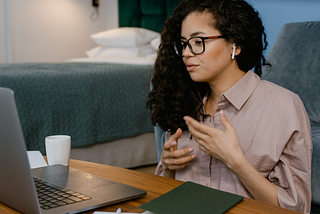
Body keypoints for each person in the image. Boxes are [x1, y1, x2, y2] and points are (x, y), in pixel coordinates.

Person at [146, 0, 312, 212]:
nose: (187, 53)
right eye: (184, 44)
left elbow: (295, 209)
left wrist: (235, 161)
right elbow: (163, 197)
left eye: (198, 42)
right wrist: (168, 167)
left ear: (235, 44)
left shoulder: (282, 106)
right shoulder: (184, 100)